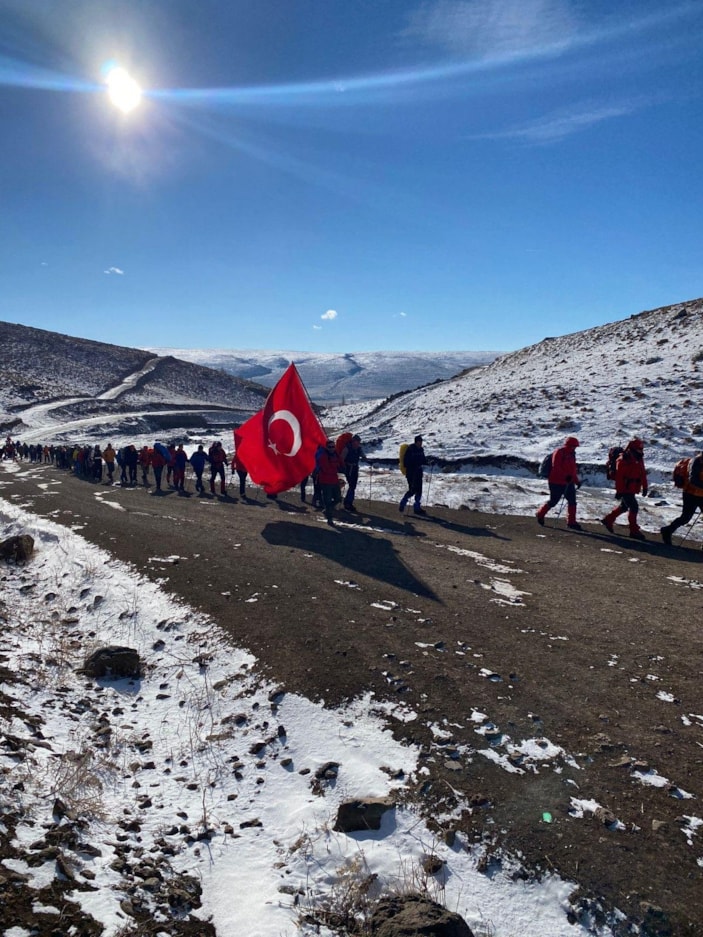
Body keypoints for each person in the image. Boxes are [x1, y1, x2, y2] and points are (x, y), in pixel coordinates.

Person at [601, 438, 648, 540]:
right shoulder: (623, 459)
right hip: (625, 488)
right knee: (634, 507)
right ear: (633, 448)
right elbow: (619, 477)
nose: (641, 450)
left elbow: (643, 473)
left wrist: (645, 487)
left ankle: (608, 520)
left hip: (633, 487)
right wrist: (619, 491)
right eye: (639, 448)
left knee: (624, 507)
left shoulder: (639, 458)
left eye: (641, 448)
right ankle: (634, 531)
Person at [536, 436, 582, 530]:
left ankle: (571, 522)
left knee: (572, 501)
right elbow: (556, 467)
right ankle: (540, 513)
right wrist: (566, 476)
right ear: (568, 445)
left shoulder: (572, 454)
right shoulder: (559, 452)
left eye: (575, 447)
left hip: (568, 482)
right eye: (573, 446)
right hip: (555, 482)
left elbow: (573, 470)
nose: (574, 448)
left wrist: (576, 481)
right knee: (553, 501)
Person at [661, 452, 703, 545]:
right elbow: (693, 479)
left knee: (685, 517)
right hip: (690, 494)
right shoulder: (697, 461)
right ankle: (667, 531)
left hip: (700, 494)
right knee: (685, 518)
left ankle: (667, 531)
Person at [316, 438, 346, 525]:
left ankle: (327, 510)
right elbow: (326, 469)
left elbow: (341, 462)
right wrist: (336, 467)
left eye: (333, 446)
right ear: (326, 447)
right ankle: (330, 519)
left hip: (334, 480)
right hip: (325, 481)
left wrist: (342, 467)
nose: (332, 448)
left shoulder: (336, 454)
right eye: (330, 447)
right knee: (327, 500)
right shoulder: (323, 457)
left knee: (338, 498)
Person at [400, 435, 429, 515]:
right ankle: (403, 503)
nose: (421, 443)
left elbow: (423, 460)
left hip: (418, 473)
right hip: (411, 474)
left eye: (421, 442)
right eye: (420, 442)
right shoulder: (410, 449)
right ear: (416, 442)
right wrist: (414, 465)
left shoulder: (421, 450)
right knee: (412, 490)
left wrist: (428, 462)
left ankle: (417, 508)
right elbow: (406, 463)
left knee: (419, 490)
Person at [341, 434, 366, 512]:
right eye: (357, 441)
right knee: (352, 485)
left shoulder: (358, 449)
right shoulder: (347, 448)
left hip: (354, 468)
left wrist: (366, 459)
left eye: (358, 441)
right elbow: (341, 459)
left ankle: (348, 502)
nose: (358, 443)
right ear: (353, 441)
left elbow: (363, 456)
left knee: (353, 486)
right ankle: (348, 503)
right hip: (349, 469)